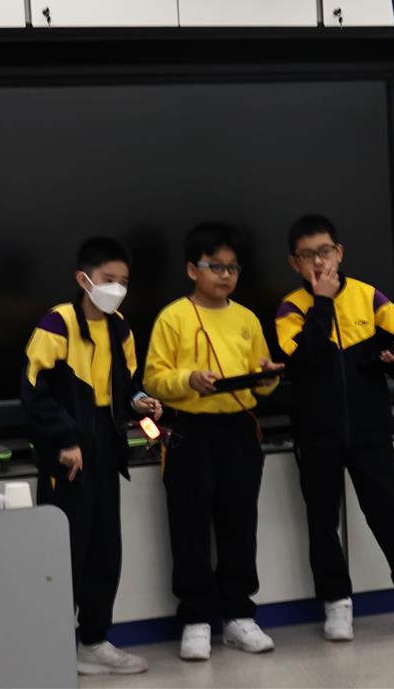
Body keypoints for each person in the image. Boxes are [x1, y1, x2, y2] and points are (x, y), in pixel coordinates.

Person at [275, 214, 394, 643]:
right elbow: (304, 361)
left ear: (340, 252)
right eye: (308, 255)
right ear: (294, 263)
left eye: (325, 251)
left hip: (370, 429)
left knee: (390, 513)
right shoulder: (290, 308)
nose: (319, 262)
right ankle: (336, 605)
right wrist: (322, 302)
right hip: (316, 432)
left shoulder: (370, 297)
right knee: (322, 520)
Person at [20, 237, 162, 675]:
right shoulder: (58, 323)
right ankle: (54, 645)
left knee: (105, 547)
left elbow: (126, 384)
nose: (117, 288)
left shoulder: (121, 327)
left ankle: (95, 641)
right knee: (66, 550)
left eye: (123, 281)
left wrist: (139, 402)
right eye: (108, 279)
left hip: (106, 445)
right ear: (84, 279)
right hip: (68, 452)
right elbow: (34, 388)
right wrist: (64, 441)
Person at [143, 222, 284, 662]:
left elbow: (262, 382)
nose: (225, 275)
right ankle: (196, 620)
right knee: (189, 527)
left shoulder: (247, 318)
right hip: (188, 430)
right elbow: (153, 379)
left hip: (239, 429)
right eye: (215, 266)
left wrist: (268, 377)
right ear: (192, 269)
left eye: (233, 268)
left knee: (239, 523)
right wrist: (189, 379)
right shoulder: (173, 317)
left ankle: (239, 615)